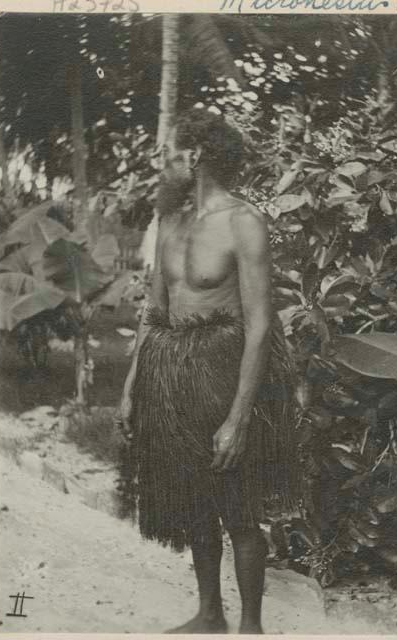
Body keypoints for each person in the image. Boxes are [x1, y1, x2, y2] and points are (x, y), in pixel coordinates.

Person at [117, 107, 299, 634]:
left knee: (238, 508)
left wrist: (238, 419)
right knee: (192, 499)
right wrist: (132, 389)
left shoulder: (243, 222)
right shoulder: (170, 223)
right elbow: (153, 313)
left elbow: (262, 325)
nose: (162, 161)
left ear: (193, 156)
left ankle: (251, 627)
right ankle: (210, 614)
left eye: (169, 151)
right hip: (170, 379)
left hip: (224, 375)